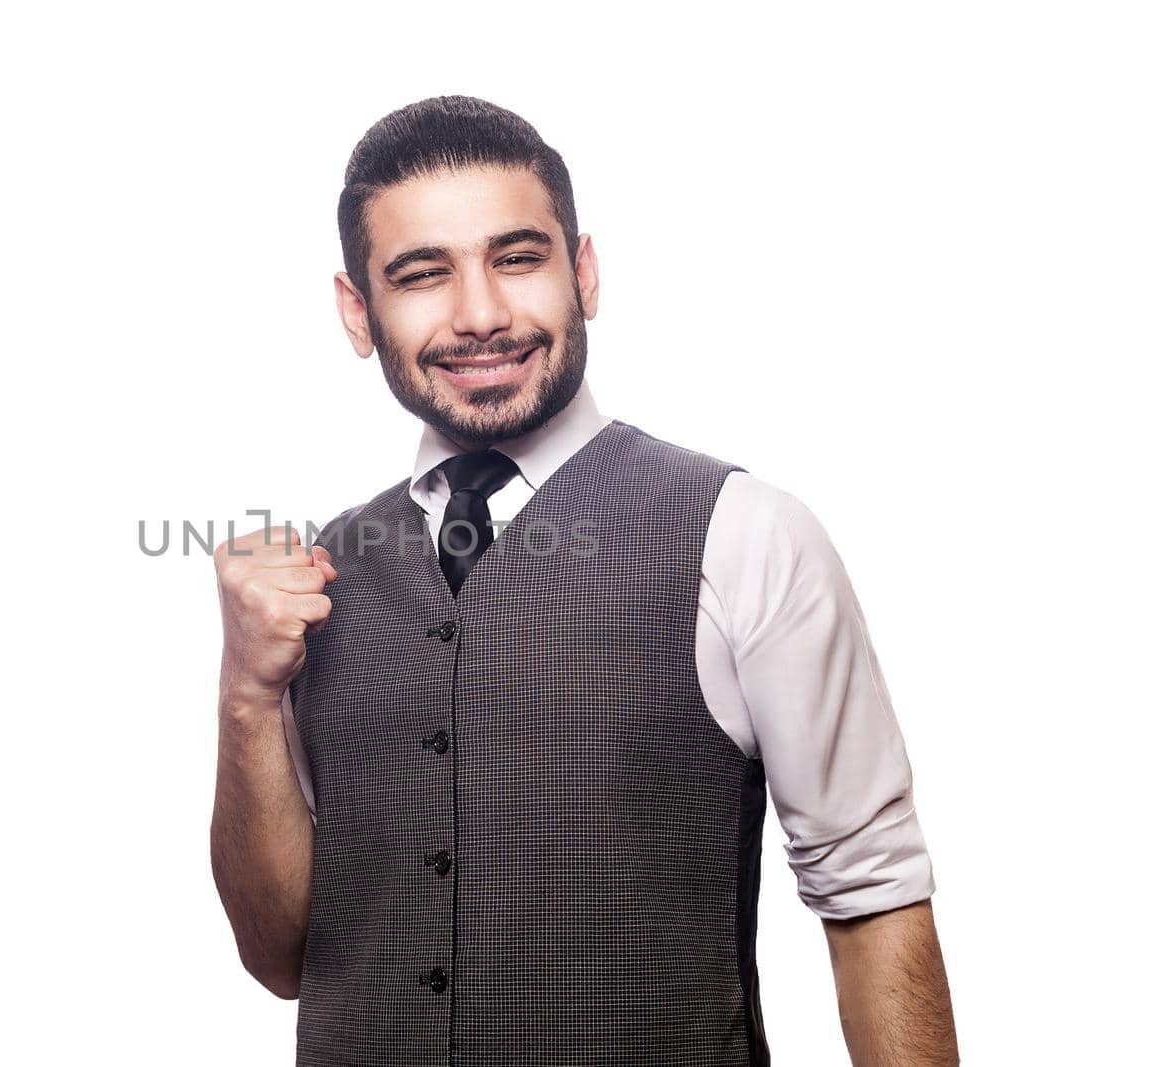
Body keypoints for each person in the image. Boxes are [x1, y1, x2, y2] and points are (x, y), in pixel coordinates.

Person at [210, 95, 958, 1066]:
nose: (480, 313)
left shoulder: (745, 533)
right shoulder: (315, 577)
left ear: (584, 272)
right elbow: (282, 955)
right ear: (358, 310)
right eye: (421, 274)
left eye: (516, 258)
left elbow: (873, 898)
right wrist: (245, 696)